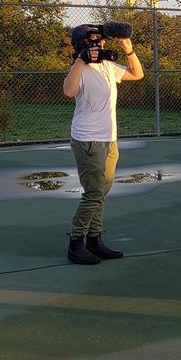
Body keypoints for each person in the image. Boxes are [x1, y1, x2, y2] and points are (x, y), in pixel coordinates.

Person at [63, 24, 144, 265]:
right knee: (94, 193)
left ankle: (94, 239)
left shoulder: (108, 66)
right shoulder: (80, 68)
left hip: (110, 139)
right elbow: (68, 91)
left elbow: (137, 74)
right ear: (84, 44)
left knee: (102, 192)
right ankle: (75, 243)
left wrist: (128, 49)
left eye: (101, 41)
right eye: (95, 41)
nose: (101, 44)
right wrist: (81, 60)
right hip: (88, 139)